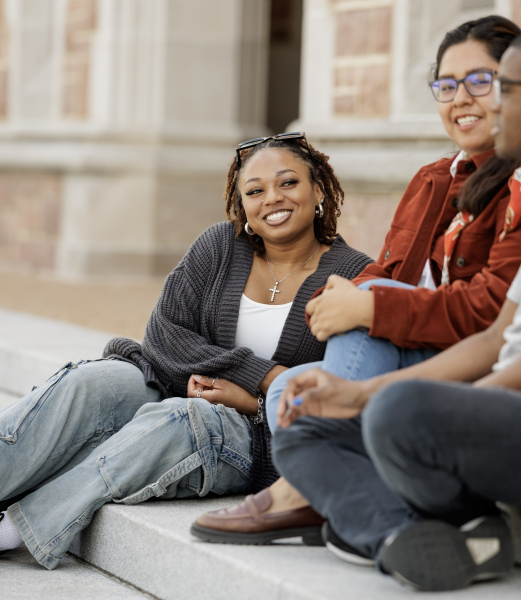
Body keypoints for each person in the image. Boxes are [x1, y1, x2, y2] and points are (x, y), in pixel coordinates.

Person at [191, 15, 521, 545]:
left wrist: (370, 308)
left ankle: (303, 491)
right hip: (420, 354)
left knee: (364, 317)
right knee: (290, 386)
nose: (461, 98)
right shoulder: (434, 179)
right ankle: (371, 514)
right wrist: (343, 298)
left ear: (519, 86)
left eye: (481, 80)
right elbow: (386, 272)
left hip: (484, 366)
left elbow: (492, 310)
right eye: (446, 86)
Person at [273, 26, 521, 592]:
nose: (490, 104)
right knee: (309, 426)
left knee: (402, 413)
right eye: (448, 85)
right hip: (507, 412)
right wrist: (357, 394)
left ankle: (397, 522)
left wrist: (428, 404)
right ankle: (415, 537)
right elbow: (497, 339)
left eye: (504, 87)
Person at [0, 133, 372, 569]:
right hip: (174, 385)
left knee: (183, 418)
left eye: (288, 183)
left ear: (319, 190)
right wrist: (261, 375)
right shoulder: (219, 246)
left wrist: (254, 400)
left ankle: (13, 529)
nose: (272, 198)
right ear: (243, 204)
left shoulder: (353, 278)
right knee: (90, 382)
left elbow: (341, 395)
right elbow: (164, 336)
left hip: (257, 438)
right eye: (255, 190)